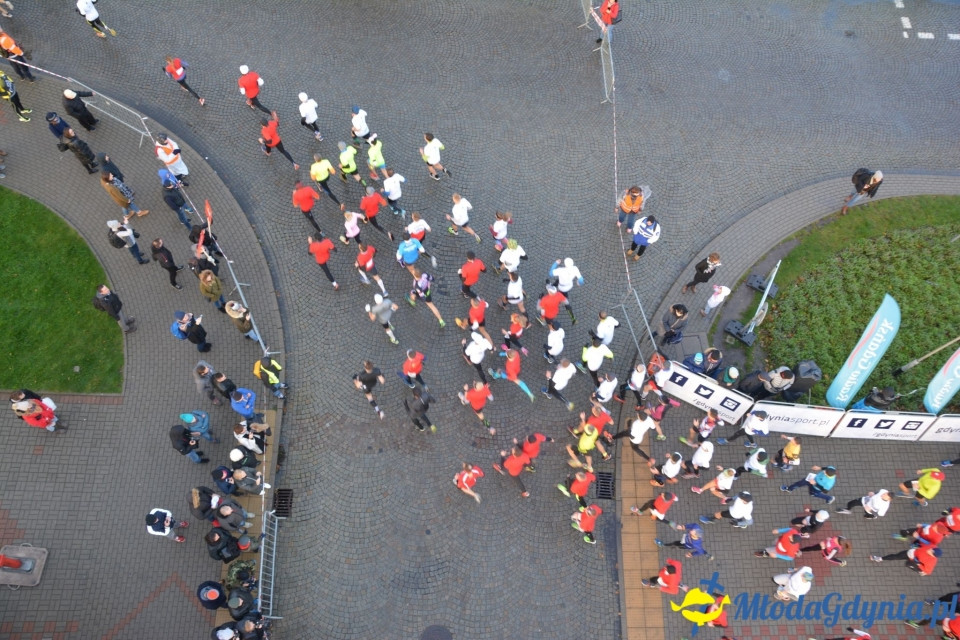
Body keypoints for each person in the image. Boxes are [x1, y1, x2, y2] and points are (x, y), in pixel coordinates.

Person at [870, 545, 942, 576]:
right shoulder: (932, 546)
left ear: (933, 555)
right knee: (896, 556)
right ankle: (879, 559)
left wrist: (919, 564)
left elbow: (928, 571)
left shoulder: (931, 562)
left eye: (931, 552)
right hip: (910, 553)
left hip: (914, 561)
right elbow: (924, 543)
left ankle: (919, 571)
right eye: (932, 549)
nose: (930, 550)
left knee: (907, 564)